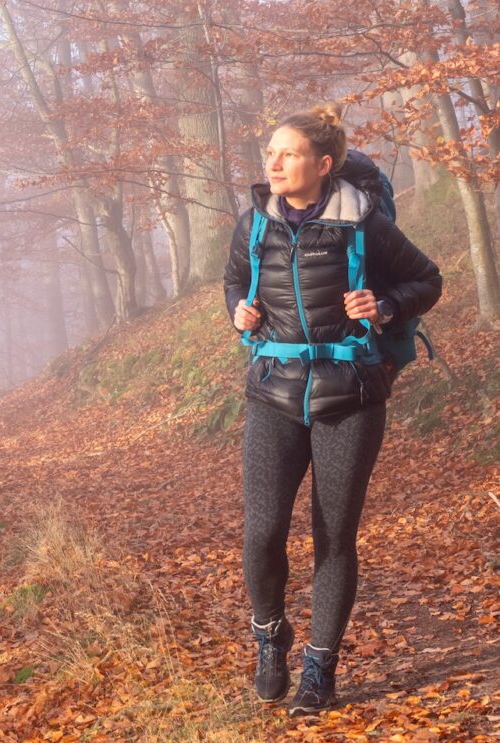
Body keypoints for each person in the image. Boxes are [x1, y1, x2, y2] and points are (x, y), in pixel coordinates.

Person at [222, 103, 442, 715]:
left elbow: (427, 279)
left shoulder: (363, 222)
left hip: (352, 395)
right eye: (270, 151)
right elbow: (233, 282)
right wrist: (238, 310)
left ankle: (320, 667)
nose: (273, 162)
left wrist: (386, 305)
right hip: (272, 392)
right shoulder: (253, 224)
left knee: (333, 536)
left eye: (287, 153)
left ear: (323, 164)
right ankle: (270, 636)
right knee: (263, 531)